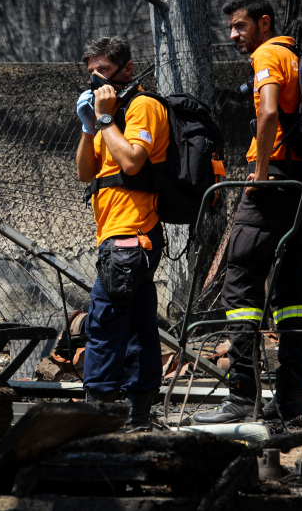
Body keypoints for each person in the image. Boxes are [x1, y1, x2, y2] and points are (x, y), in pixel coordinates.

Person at [192, 0, 302, 424]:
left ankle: (243, 395)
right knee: (293, 298)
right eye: (230, 28)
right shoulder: (297, 56)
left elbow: (266, 114)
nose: (232, 36)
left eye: (240, 26)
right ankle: (290, 401)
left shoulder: (267, 54)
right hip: (299, 186)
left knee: (241, 287)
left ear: (263, 23)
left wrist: (258, 174)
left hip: (271, 183)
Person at [75, 36, 169, 432]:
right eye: (91, 74)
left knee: (104, 326)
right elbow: (85, 173)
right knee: (139, 328)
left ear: (127, 70)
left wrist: (107, 118)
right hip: (114, 237)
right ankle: (139, 415)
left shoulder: (142, 108)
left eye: (104, 73)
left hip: (132, 236)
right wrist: (88, 126)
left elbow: (131, 162)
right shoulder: (107, 116)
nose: (97, 82)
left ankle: (96, 414)